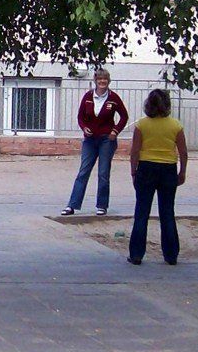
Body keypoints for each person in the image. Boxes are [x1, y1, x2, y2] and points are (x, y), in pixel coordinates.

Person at [128, 89, 188, 265]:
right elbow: (183, 152)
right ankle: (171, 255)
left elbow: (135, 151)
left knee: (141, 211)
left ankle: (136, 254)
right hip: (168, 168)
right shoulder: (176, 125)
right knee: (167, 212)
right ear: (167, 105)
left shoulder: (142, 125)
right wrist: (182, 171)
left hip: (146, 168)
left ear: (149, 104)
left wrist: (133, 171)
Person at [61, 69, 128, 216]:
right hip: (90, 140)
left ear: (108, 81)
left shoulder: (113, 98)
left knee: (103, 173)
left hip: (106, 140)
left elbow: (124, 116)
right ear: (95, 81)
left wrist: (115, 131)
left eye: (105, 79)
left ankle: (102, 206)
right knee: (83, 172)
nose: (102, 82)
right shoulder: (88, 97)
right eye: (99, 79)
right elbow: (80, 117)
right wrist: (84, 128)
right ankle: (72, 205)